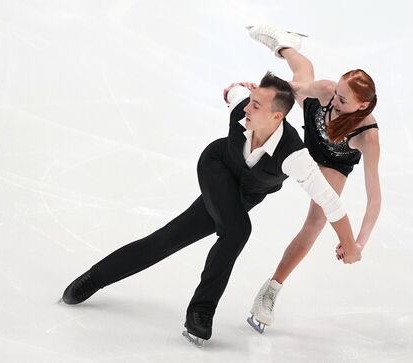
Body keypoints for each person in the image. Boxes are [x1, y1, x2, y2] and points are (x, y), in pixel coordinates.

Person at [60, 71, 362, 347]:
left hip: (242, 196)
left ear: (277, 116)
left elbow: (330, 202)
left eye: (256, 105)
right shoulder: (241, 108)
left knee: (168, 238)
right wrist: (234, 89)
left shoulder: (295, 156)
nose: (247, 108)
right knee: (238, 230)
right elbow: (232, 93)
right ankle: (200, 314)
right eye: (250, 101)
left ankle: (94, 277)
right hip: (216, 168)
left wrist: (349, 244)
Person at [246, 25, 381, 333]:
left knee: (317, 221)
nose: (335, 102)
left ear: (362, 106)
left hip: (334, 160)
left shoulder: (367, 136)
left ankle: (270, 291)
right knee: (303, 77)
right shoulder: (326, 92)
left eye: (344, 101)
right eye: (337, 93)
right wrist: (255, 96)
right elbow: (285, 92)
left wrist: (357, 243)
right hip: (312, 124)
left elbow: (375, 198)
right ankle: (285, 45)